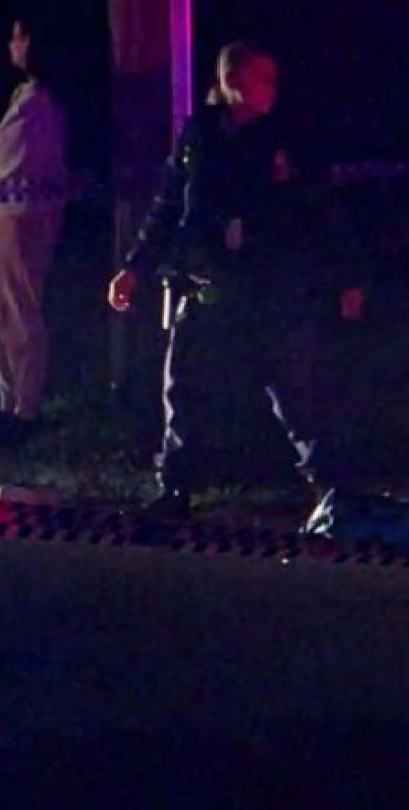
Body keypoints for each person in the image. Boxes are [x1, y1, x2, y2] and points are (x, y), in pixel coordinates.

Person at [107, 41, 366, 525]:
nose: (269, 89)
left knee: (297, 390)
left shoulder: (287, 139)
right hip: (209, 284)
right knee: (184, 388)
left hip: (273, 287)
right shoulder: (200, 136)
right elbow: (168, 206)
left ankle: (331, 489)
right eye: (259, 78)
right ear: (232, 82)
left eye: (271, 79)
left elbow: (324, 213)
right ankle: (176, 489)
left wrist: (346, 277)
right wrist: (135, 266)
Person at [0, 16, 68, 448]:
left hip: (24, 217)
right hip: (3, 211)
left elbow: (10, 168)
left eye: (19, 37)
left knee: (20, 306)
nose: (12, 44)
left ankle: (24, 409)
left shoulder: (41, 102)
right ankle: (9, 403)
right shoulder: (24, 96)